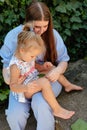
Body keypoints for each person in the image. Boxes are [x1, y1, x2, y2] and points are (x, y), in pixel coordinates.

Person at [0, 1, 82, 130]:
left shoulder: (53, 35)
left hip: (44, 79)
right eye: (37, 26)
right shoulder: (14, 36)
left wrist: (55, 70)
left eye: (45, 26)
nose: (42, 31)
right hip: (22, 83)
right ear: (28, 21)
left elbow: (63, 60)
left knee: (40, 101)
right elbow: (6, 66)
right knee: (14, 115)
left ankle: (53, 115)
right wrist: (9, 79)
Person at [6, 29, 75, 119]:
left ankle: (68, 85)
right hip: (24, 90)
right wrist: (26, 87)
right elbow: (13, 86)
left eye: (35, 56)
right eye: (32, 56)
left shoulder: (26, 55)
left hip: (32, 77)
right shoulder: (15, 66)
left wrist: (43, 67)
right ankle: (56, 109)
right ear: (22, 50)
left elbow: (33, 66)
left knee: (53, 69)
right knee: (44, 82)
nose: (34, 58)